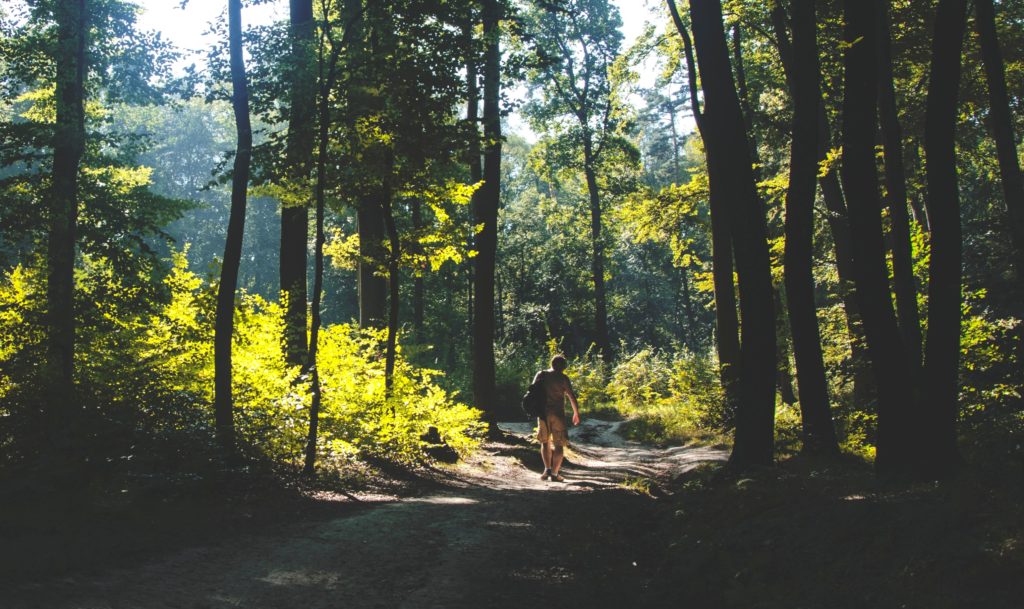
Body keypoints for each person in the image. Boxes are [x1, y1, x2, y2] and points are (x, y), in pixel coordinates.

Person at [534, 354, 581, 482]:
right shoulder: (563, 378)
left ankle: (546, 469)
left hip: (543, 413)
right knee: (559, 444)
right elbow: (572, 396)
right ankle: (554, 474)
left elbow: (532, 390)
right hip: (558, 414)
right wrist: (576, 413)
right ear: (563, 367)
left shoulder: (541, 374)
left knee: (545, 442)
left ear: (552, 363)